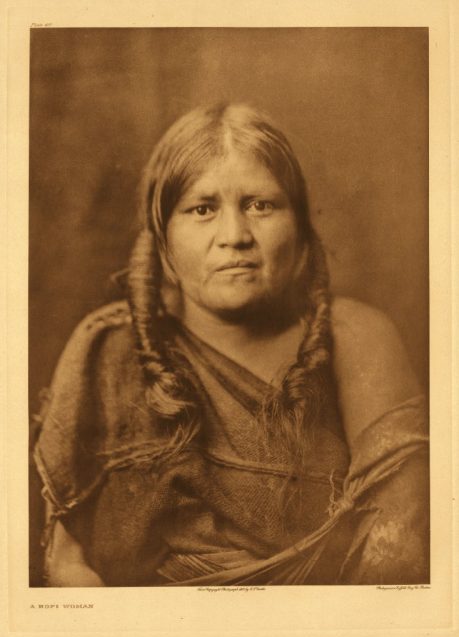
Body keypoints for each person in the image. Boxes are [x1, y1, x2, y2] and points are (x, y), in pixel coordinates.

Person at [33, 103, 429, 586]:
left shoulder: (356, 338)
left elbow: (398, 547)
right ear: (162, 239)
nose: (235, 236)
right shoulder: (108, 350)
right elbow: (67, 567)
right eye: (202, 209)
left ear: (301, 226)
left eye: (260, 205)